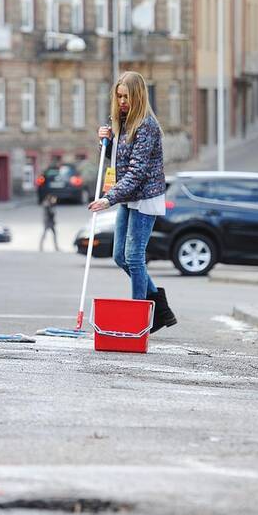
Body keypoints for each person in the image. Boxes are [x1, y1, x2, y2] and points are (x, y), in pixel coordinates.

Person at [88, 71, 176, 333]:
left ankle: (141, 315)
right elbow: (115, 162)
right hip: (128, 197)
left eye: (127, 96)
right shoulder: (121, 123)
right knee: (119, 257)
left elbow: (137, 172)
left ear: (138, 96)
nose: (122, 101)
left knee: (134, 257)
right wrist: (104, 141)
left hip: (145, 197)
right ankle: (160, 308)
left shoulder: (146, 125)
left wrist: (108, 199)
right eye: (119, 96)